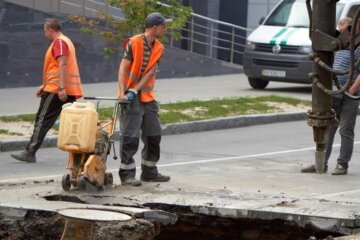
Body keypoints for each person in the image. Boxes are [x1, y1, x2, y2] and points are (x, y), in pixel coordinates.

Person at [10, 18, 83, 163]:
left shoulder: (60, 42)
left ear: (51, 30)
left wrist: (60, 88)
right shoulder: (66, 41)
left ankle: (30, 152)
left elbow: (62, 65)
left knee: (42, 120)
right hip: (62, 88)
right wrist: (44, 85)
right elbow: (56, 67)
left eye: (45, 31)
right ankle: (79, 153)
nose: (45, 34)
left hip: (56, 90)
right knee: (71, 123)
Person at [117, 12, 172, 186]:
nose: (165, 29)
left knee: (153, 134)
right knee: (130, 136)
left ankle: (149, 171)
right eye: (163, 26)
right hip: (129, 97)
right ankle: (126, 174)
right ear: (154, 27)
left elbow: (150, 72)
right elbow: (123, 68)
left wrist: (136, 89)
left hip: (146, 96)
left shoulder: (159, 48)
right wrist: (122, 92)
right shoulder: (133, 43)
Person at [302, 17, 360, 175]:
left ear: (352, 29)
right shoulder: (337, 46)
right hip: (334, 91)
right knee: (328, 128)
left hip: (349, 94)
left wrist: (351, 90)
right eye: (340, 31)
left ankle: (342, 164)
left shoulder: (357, 47)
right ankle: (320, 163)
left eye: (344, 31)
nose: (341, 35)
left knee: (346, 130)